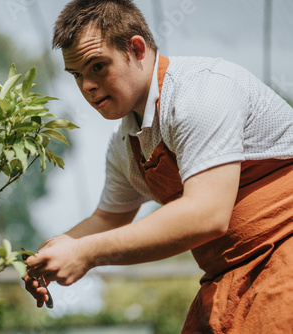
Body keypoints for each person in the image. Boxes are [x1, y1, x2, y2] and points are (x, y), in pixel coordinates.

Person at [23, 0, 293, 332]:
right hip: (228, 281)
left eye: (97, 67)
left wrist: (87, 253)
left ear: (136, 48)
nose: (87, 86)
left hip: (284, 257)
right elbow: (108, 218)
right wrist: (50, 254)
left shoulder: (200, 91)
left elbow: (207, 214)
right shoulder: (125, 146)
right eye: (77, 75)